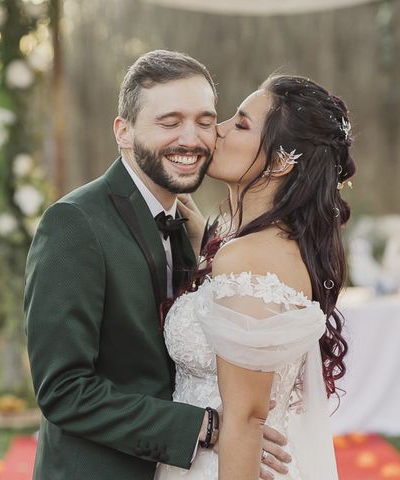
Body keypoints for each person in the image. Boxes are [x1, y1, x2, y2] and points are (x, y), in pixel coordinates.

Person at [24, 50, 290, 480]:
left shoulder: (189, 225)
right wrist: (201, 427)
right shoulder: (73, 224)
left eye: (205, 121)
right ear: (124, 132)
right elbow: (62, 390)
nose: (192, 139)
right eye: (170, 122)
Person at [155, 75, 355, 480]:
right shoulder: (252, 245)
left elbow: (246, 420)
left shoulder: (251, 259)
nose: (219, 129)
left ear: (281, 161)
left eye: (241, 124)